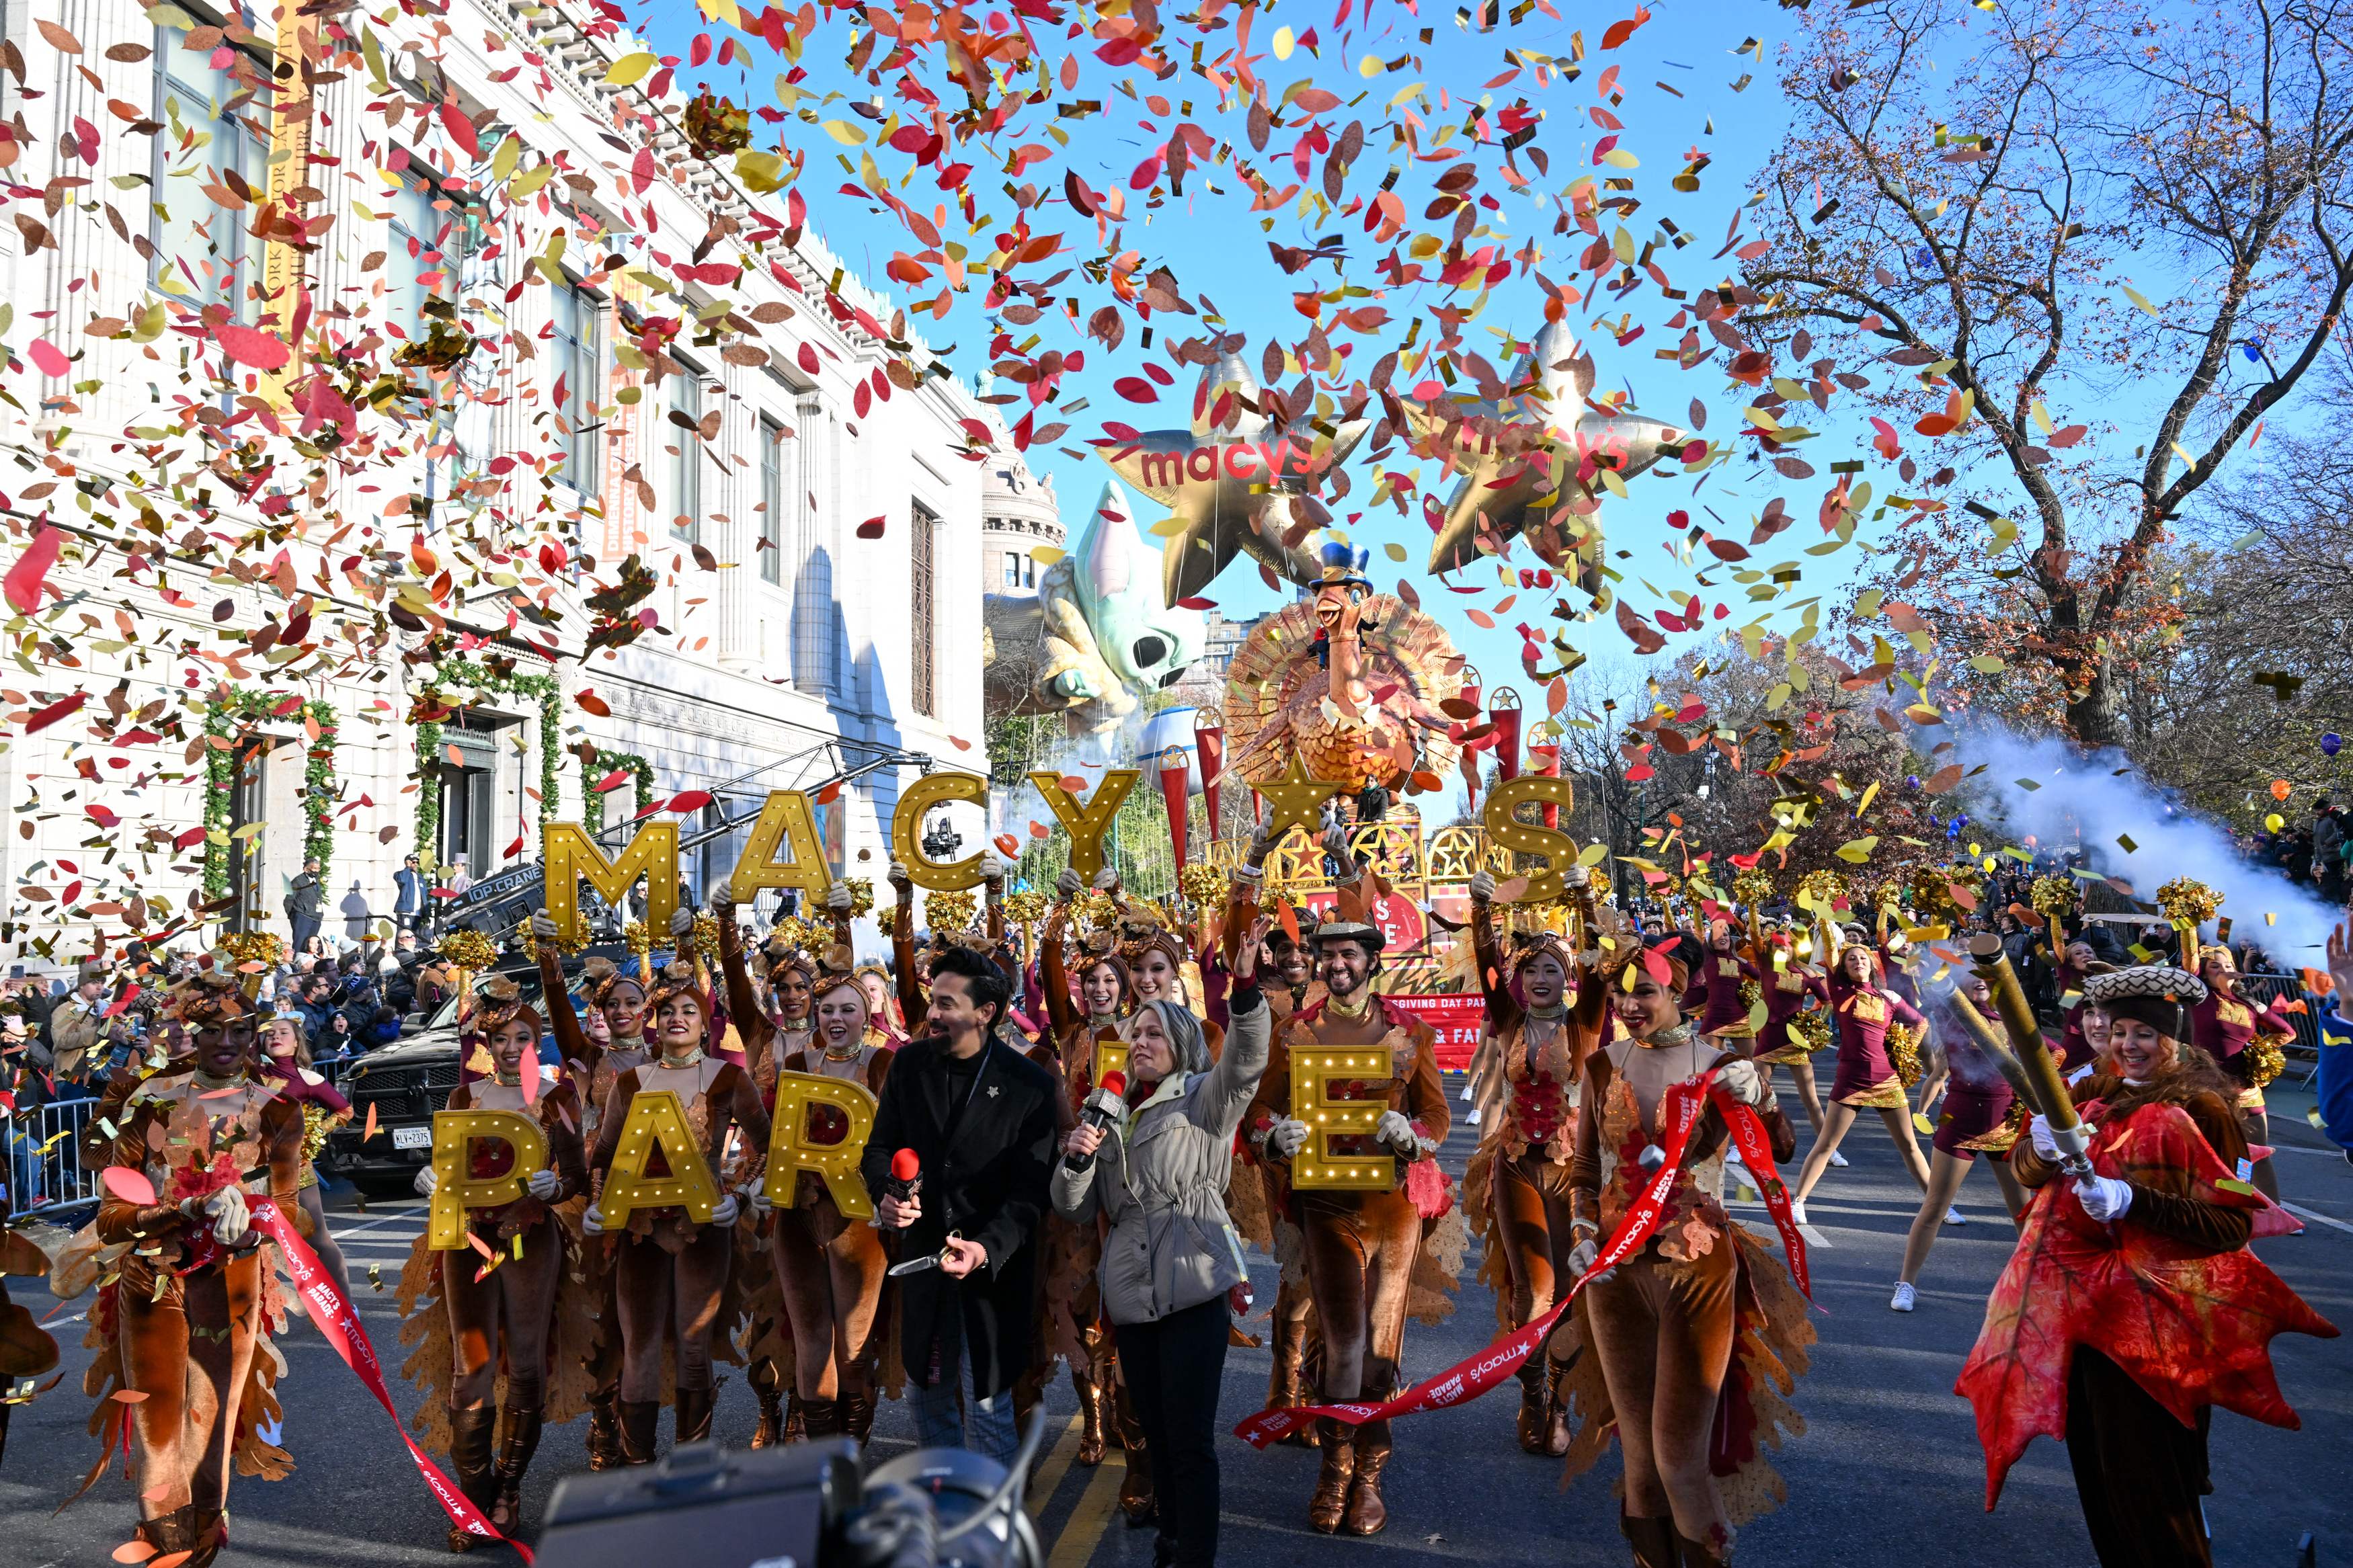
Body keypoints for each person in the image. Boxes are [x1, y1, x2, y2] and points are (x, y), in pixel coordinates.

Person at [1958, 964, 2338, 1567]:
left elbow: (2232, 1225)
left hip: (2161, 1333)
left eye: (2144, 1033)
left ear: (2177, 1037)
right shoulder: (2092, 1096)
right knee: (2102, 1480)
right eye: (2118, 1032)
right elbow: (2028, 1173)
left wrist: (2135, 1201)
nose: (2127, 1046)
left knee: (2153, 1489)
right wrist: (2040, 1148)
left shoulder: (2206, 1108)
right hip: (2081, 1319)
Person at [1562, 937, 1812, 1568]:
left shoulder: (1721, 1062)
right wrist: (1581, 1232)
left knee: (1679, 1460)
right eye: (1620, 992)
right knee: (1640, 1463)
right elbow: (1586, 1167)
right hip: (1614, 1273)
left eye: (1643, 991)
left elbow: (1780, 1151)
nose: (1627, 1004)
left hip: (1695, 1271)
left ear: (1678, 992)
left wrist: (1762, 1093)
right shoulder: (1602, 1063)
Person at [1053, 927, 1275, 1568]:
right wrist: (1075, 1162)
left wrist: (1246, 988)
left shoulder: (1208, 1098)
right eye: (1135, 1033)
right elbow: (1073, 1207)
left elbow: (1249, 1057)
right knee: (1151, 1430)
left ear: (1177, 1045)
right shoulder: (1106, 1106)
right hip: (1129, 1289)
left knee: (1189, 1440)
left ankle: (1194, 1555)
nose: (1139, 1042)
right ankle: (1171, 1540)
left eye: (1153, 1033)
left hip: (1193, 1277)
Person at [67, 972, 305, 1566]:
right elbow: (114, 1215)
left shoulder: (279, 1109)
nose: (226, 1041)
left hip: (233, 1282)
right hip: (152, 1277)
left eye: (239, 1030)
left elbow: (289, 1210)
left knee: (209, 1431)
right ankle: (166, 1548)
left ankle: (197, 1550)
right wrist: (181, 1207)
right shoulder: (150, 1097)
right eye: (213, 1030)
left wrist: (254, 1218)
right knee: (158, 1433)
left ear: (254, 1034)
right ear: (191, 1033)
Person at [1246, 864, 1455, 1537]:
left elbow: (1437, 1116)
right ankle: (1334, 1470)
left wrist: (1413, 1134)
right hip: (1323, 1206)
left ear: (1370, 958)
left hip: (1390, 1208)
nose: (1335, 963)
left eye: (1348, 953)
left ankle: (1368, 1474)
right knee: (1341, 1344)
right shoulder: (1296, 1031)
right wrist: (1274, 1134)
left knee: (1381, 1350)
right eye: (1326, 952)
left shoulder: (1406, 1030)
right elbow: (1258, 1114)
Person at [402, 978, 593, 1547]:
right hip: (467, 1240)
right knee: (472, 1369)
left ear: (538, 1041)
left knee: (528, 1365)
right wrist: (430, 1177)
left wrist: (554, 1186)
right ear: (487, 1042)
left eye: (523, 1037)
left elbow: (577, 1178)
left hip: (531, 1238)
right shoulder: (466, 1098)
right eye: (502, 1038)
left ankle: (509, 1487)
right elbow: (448, 1164)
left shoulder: (558, 1098)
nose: (512, 1048)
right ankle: (475, 1497)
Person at [859, 944, 1060, 1465]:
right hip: (925, 1263)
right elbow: (879, 1149)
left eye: (947, 1003)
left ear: (985, 1012)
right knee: (927, 1399)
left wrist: (984, 1248)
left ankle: (993, 1525)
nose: (932, 1013)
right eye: (932, 999)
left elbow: (1030, 1194)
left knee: (989, 1406)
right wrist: (887, 1195)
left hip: (992, 1273)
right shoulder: (909, 1065)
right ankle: (944, 1503)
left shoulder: (1030, 1085)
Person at [584, 956, 770, 1462]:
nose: (677, 1019)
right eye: (667, 1011)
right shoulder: (631, 1082)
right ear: (654, 1020)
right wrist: (597, 1204)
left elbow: (769, 1145)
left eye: (689, 1009)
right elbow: (601, 1156)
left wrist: (742, 1194)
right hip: (639, 1231)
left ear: (704, 1019)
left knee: (693, 1346)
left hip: (704, 1229)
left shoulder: (730, 1079)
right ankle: (639, 1468)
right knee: (639, 1348)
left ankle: (690, 1467)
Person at [1462, 868, 1613, 1456]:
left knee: (1575, 1292)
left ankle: (1558, 1399)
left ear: (1567, 978)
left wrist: (1585, 898)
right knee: (1534, 1294)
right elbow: (1487, 964)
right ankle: (1536, 1402)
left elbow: (1602, 958)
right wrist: (1482, 909)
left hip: (1578, 1175)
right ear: (1521, 980)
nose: (1542, 978)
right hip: (1517, 1167)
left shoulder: (1587, 1022)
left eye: (1552, 968)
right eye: (1532, 970)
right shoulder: (1507, 1020)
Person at [1890, 975, 2033, 1311]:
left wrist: (2028, 1097)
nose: (1980, 980)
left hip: (2004, 1127)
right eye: (1972, 975)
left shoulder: (2013, 1021)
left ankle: (2035, 1285)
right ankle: (1906, 1284)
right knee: (1935, 1207)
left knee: (2024, 1213)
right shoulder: (1953, 1015)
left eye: (1987, 976)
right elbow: (1931, 981)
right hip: (1960, 1124)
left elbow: (2053, 1053)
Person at [1788, 924, 1934, 1222]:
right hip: (1851, 1080)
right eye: (1851, 959)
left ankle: (1938, 1205)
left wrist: (1905, 1050)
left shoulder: (1889, 997)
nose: (1858, 962)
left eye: (1863, 958)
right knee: (1827, 1144)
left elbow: (1921, 1023)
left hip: (1887, 1080)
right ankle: (1798, 1202)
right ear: (1843, 966)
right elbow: (1830, 949)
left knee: (1909, 1146)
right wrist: (1826, 916)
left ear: (1872, 965)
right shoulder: (1840, 991)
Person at [2188, 945, 2296, 1202]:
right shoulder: (2195, 997)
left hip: (2245, 1090)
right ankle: (2228, 1205)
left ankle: (2272, 1209)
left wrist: (2259, 1051)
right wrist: (2187, 917)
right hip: (2205, 1089)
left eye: (2227, 965)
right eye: (2215, 966)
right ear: (2203, 973)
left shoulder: (2250, 1003)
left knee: (2254, 1155)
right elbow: (2188, 957)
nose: (2223, 970)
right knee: (2212, 1153)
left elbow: (2287, 1032)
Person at [260, 1012, 353, 1294]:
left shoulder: (307, 1077)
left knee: (318, 1238)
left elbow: (345, 1111)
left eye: (283, 1032)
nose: (275, 1036)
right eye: (270, 1033)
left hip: (294, 1167)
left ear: (297, 1043)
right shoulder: (251, 1074)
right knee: (255, 1242)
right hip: (254, 1168)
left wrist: (314, 1132)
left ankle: (348, 1307)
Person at [46, 958, 110, 1081]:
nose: (99, 987)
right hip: (71, 1076)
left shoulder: (104, 1009)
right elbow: (62, 1040)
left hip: (98, 1074)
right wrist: (99, 1032)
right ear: (81, 985)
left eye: (102, 983)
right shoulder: (69, 1010)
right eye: (94, 983)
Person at [285, 858, 325, 950]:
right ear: (306, 869)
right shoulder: (298, 881)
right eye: (314, 868)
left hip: (316, 916)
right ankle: (297, 962)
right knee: (300, 943)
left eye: (318, 869)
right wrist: (293, 916)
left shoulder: (317, 880)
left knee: (311, 944)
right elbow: (289, 900)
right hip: (303, 916)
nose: (317, 871)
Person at [396, 854, 428, 934]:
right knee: (404, 934)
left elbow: (425, 893)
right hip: (406, 911)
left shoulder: (420, 877)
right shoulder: (400, 874)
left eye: (417, 862)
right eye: (413, 862)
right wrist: (408, 867)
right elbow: (402, 880)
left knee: (414, 936)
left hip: (418, 912)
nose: (416, 864)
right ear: (408, 862)